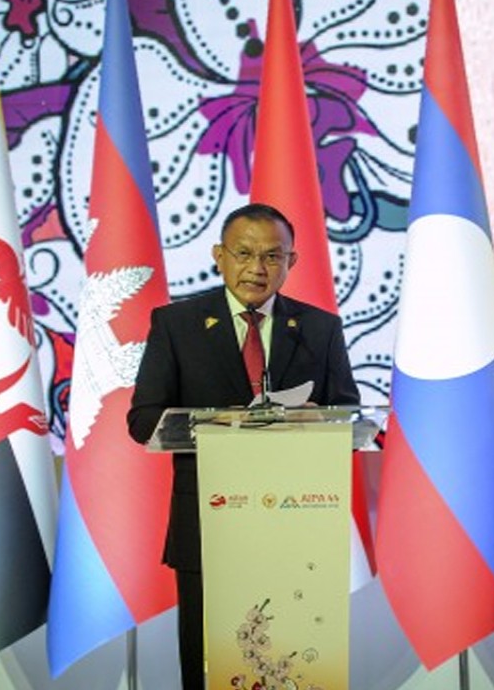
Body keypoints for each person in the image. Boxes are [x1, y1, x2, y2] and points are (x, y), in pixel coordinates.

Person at [127, 202, 360, 689]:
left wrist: (311, 419)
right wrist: (221, 425)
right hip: (208, 524)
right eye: (244, 253)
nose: (258, 268)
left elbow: (347, 415)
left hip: (297, 525)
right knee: (209, 661)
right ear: (219, 255)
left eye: (274, 256)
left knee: (294, 663)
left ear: (292, 262)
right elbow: (143, 419)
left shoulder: (319, 329)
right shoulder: (177, 324)